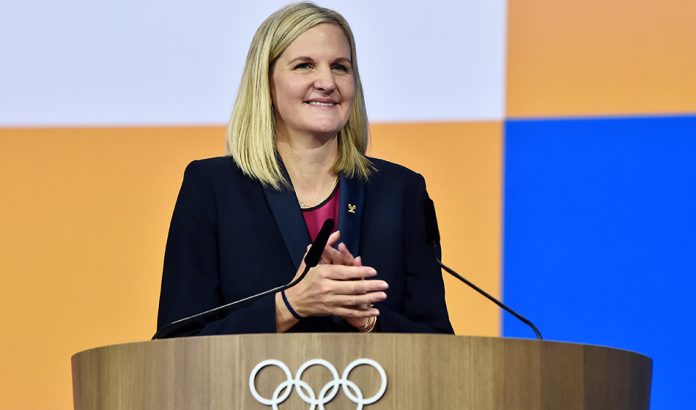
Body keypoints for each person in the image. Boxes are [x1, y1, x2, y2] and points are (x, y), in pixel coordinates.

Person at [156, 2, 453, 336]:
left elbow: (438, 342)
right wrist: (289, 305)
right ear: (266, 83)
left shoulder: (400, 191)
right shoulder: (212, 189)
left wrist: (368, 319)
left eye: (340, 67)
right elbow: (176, 341)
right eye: (304, 66)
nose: (327, 82)